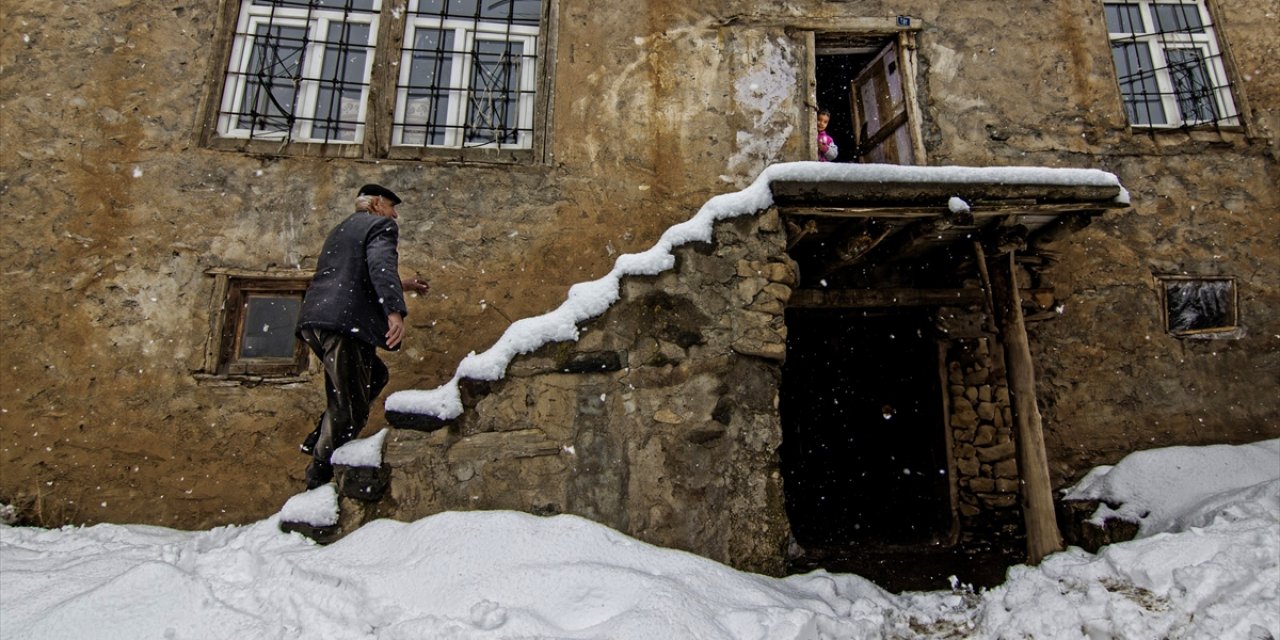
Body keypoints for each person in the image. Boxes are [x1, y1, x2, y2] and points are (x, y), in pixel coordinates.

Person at [294, 184, 430, 489]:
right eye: (393, 206)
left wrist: (403, 284)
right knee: (351, 403)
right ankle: (320, 472)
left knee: (371, 377)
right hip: (345, 324)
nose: (395, 215)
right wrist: (395, 310)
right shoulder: (381, 225)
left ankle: (318, 437)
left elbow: (355, 273)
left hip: (318, 320)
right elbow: (380, 266)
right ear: (378, 203)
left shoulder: (341, 229)